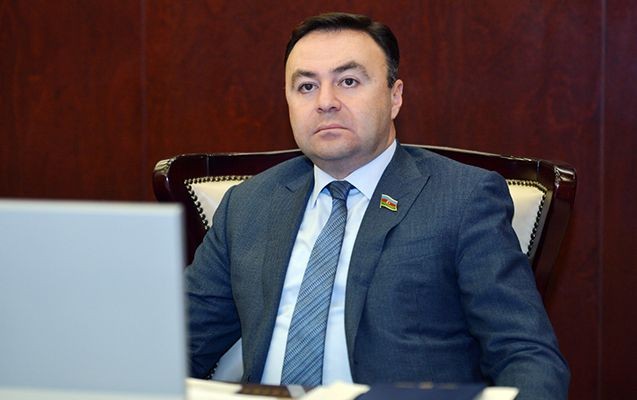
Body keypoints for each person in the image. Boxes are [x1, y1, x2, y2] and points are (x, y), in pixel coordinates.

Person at [185, 12, 570, 399]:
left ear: (395, 96)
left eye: (348, 81)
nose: (325, 102)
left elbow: (526, 355)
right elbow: (179, 343)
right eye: (306, 86)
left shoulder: (463, 199)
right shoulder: (248, 204)